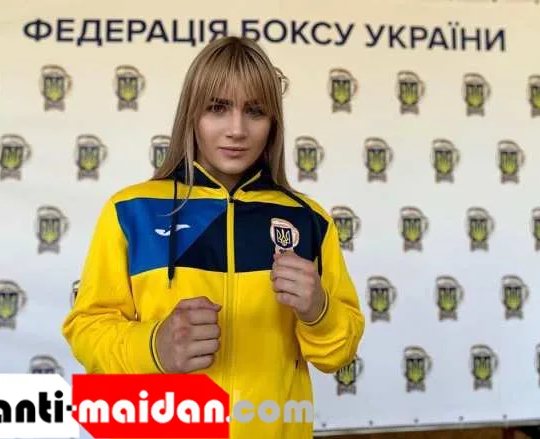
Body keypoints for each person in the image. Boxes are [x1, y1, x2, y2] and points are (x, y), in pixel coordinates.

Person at [61, 35, 365, 439]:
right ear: (192, 114)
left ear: (273, 122)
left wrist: (319, 310)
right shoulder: (132, 210)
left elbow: (338, 354)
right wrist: (154, 346)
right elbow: (86, 330)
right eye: (217, 108)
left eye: (255, 111)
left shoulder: (309, 220)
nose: (237, 130)